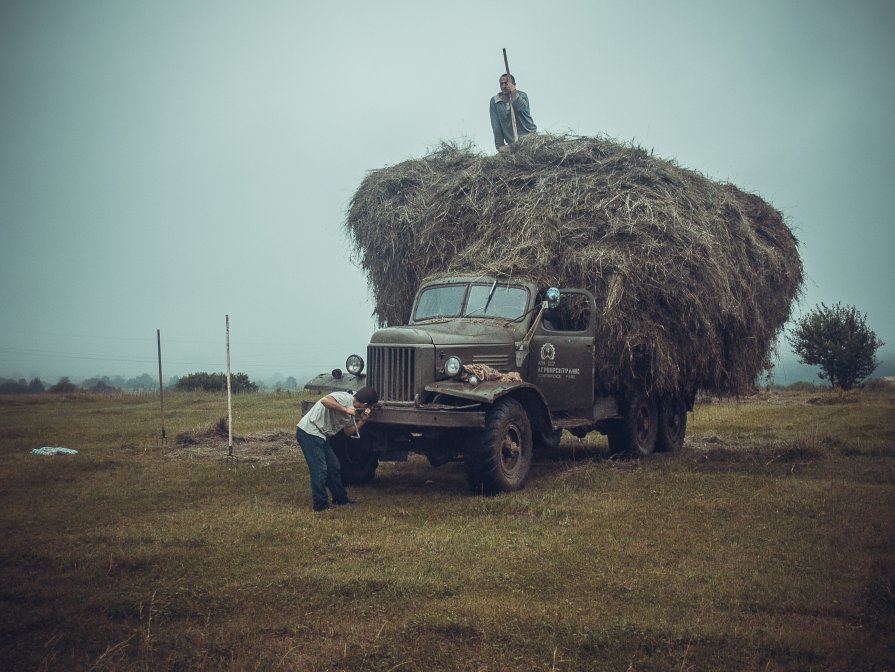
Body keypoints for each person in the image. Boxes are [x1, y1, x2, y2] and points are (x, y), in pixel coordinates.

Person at [295, 386, 379, 512]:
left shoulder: (353, 410)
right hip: (309, 432)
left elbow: (348, 432)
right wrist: (345, 409)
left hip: (323, 436)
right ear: (366, 404)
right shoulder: (344, 398)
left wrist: (363, 420)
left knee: (334, 466)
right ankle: (320, 505)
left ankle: (340, 499)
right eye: (370, 407)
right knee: (320, 470)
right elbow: (325, 400)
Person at [489, 73, 537, 152]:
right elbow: (496, 125)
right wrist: (500, 145)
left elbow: (522, 108)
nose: (504, 86)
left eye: (506, 83)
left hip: (529, 137)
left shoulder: (522, 95)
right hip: (513, 143)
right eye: (501, 84)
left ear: (513, 84)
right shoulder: (495, 102)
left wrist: (513, 92)